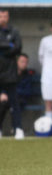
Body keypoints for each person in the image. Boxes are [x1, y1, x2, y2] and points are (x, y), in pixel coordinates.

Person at [0, 9, 24, 139]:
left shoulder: (14, 31)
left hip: (10, 73)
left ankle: (18, 129)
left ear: (8, 17)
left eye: (5, 16)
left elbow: (18, 48)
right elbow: (11, 47)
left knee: (15, 103)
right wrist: (8, 45)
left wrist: (5, 49)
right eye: (1, 16)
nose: (3, 18)